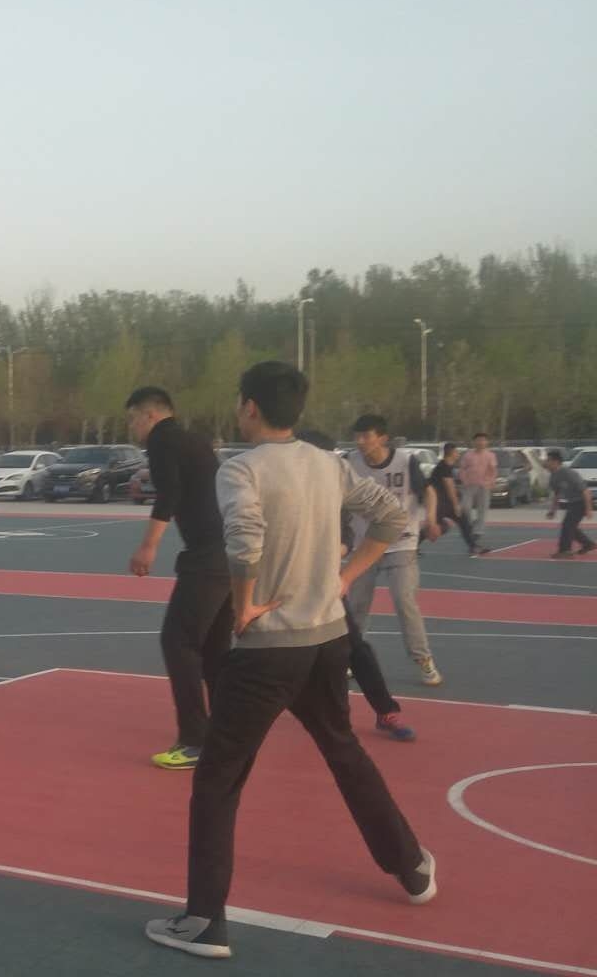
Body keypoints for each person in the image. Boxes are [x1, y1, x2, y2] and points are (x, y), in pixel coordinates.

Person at [145, 362, 432, 961]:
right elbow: (391, 516)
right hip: (326, 641)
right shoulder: (329, 465)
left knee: (218, 779)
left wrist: (245, 604)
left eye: (238, 402)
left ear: (249, 406)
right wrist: (344, 577)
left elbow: (244, 541)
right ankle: (411, 865)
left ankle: (204, 921)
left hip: (267, 650)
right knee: (343, 751)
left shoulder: (242, 469)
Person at [124, 387, 233, 771]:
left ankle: (194, 740)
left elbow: (168, 495)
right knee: (215, 648)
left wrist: (148, 547)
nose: (132, 427)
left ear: (150, 415)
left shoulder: (162, 441)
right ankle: (226, 731)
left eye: (133, 419)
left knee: (179, 642)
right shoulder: (195, 440)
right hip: (231, 553)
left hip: (207, 556)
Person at [298, 429, 416, 742]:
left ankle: (385, 710)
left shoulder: (335, 491)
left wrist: (340, 558)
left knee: (354, 648)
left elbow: (348, 536)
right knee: (266, 654)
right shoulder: (277, 488)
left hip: (324, 583)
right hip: (282, 585)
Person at [345, 416, 443, 687]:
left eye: (366, 436)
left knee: (404, 600)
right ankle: (351, 658)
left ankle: (423, 659)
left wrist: (431, 519)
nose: (360, 441)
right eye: (357, 436)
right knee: (356, 605)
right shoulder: (349, 462)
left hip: (401, 541)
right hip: (365, 544)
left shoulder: (406, 461)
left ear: (383, 438)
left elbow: (429, 492)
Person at [429, 443, 489, 556]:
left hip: (445, 502)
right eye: (456, 452)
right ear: (451, 453)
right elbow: (449, 486)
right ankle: (415, 544)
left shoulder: (447, 466)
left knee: (463, 521)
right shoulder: (444, 467)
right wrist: (456, 504)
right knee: (435, 527)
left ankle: (473, 547)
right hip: (438, 504)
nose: (458, 454)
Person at [543, 450, 595, 558]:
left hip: (581, 502)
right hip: (572, 502)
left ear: (555, 462)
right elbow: (557, 495)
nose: (545, 463)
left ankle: (565, 551)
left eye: (547, 460)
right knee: (570, 526)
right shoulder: (553, 477)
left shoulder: (568, 473)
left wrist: (588, 509)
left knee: (567, 525)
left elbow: (585, 491)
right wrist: (552, 511)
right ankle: (588, 544)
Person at [457, 433, 497, 535]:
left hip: (484, 485)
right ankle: (470, 524)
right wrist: (464, 480)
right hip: (469, 485)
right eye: (478, 440)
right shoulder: (468, 455)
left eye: (483, 440)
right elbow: (462, 469)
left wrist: (491, 481)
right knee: (465, 507)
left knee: (482, 508)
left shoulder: (490, 455)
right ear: (474, 442)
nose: (481, 442)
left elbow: (493, 470)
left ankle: (479, 530)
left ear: (487, 442)